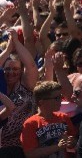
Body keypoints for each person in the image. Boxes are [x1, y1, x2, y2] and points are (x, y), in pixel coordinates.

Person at [0, 28, 38, 157]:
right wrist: (8, 50)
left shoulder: (25, 85)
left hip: (23, 144)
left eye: (15, 68)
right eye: (7, 69)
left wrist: (16, 41)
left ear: (21, 71)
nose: (11, 72)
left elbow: (31, 65)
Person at [20, 81, 77, 158]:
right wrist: (57, 147)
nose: (60, 100)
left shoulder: (64, 117)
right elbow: (30, 153)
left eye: (61, 97)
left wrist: (71, 142)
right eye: (56, 98)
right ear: (41, 102)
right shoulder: (31, 123)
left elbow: (73, 140)